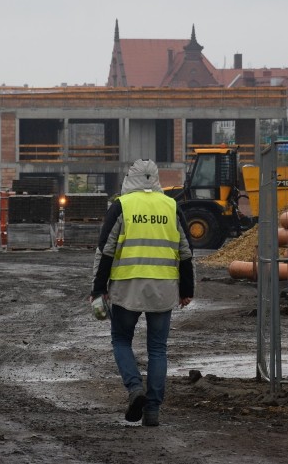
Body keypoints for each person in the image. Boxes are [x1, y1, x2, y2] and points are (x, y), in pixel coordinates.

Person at [90, 158, 195, 427]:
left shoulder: (122, 206)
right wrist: (186, 290)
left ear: (130, 178)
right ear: (156, 178)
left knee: (121, 341)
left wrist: (98, 289)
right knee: (158, 349)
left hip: (127, 288)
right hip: (163, 288)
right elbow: (186, 252)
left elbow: (106, 250)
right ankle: (152, 411)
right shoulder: (171, 206)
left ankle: (135, 388)